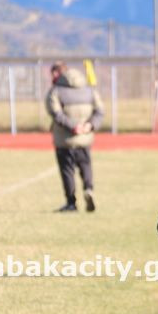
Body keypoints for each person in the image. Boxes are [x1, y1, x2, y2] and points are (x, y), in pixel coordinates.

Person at [45, 61, 103, 212]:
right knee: (85, 165)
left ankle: (71, 203)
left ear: (58, 73)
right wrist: (90, 125)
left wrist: (73, 126)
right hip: (85, 138)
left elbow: (55, 113)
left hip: (64, 139)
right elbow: (99, 111)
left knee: (67, 170)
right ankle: (89, 189)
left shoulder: (56, 91)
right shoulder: (89, 90)